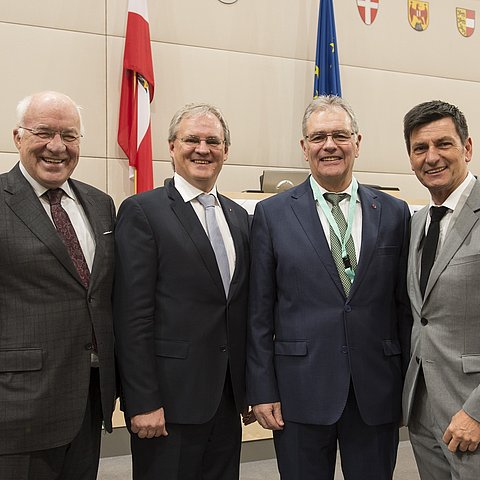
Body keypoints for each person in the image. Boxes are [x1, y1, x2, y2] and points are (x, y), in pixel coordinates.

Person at [246, 95, 413, 480]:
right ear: (304, 148)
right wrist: (262, 388)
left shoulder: (393, 212)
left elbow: (402, 307)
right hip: (299, 389)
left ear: (357, 142)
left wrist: (406, 387)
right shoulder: (271, 214)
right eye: (318, 136)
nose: (329, 145)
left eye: (339, 134)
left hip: (376, 389)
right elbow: (259, 312)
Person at [113, 103, 253, 480]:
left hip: (225, 401)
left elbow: (237, 309)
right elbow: (132, 315)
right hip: (167, 404)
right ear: (172, 146)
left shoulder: (239, 218)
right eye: (192, 139)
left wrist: (246, 390)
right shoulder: (143, 211)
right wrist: (142, 402)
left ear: (226, 150)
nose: (202, 149)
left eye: (213, 141)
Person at [0, 91, 116, 479]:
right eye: (44, 132)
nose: (56, 146)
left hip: (87, 400)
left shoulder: (100, 204)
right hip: (16, 409)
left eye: (69, 135)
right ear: (18, 138)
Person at [402, 100, 480, 479]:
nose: (431, 157)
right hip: (423, 412)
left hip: (472, 413)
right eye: (420, 148)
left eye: (443, 144)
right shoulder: (417, 223)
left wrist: (477, 412)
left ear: (467, 148)